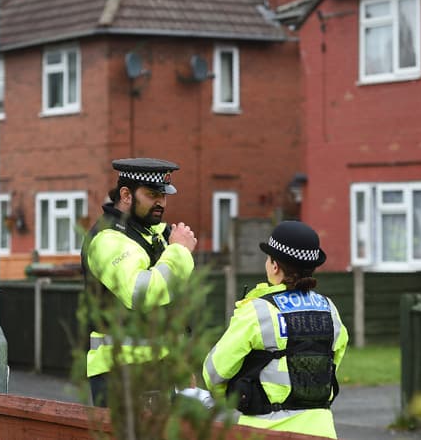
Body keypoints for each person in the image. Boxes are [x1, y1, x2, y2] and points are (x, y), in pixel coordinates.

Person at [203, 220, 349, 439]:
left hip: (264, 431)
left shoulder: (258, 310)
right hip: (322, 431)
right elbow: (330, 365)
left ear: (274, 266)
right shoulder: (330, 310)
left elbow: (214, 373)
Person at [81, 157, 197, 407]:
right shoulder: (108, 240)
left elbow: (169, 308)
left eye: (163, 196)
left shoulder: (153, 233)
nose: (161, 202)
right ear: (126, 194)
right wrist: (179, 252)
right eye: (152, 194)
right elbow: (141, 294)